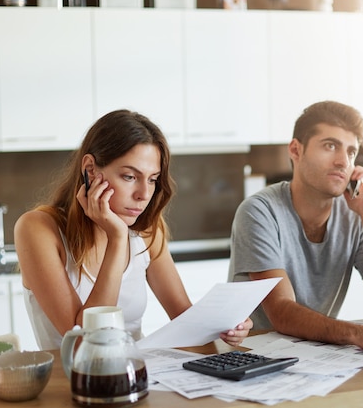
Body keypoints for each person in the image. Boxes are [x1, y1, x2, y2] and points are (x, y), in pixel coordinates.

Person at [15, 109, 252, 350]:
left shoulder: (147, 231)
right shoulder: (37, 229)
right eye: (129, 176)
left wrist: (225, 326)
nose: (144, 194)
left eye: (152, 179)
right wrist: (117, 239)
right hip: (73, 382)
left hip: (139, 375)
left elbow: (184, 319)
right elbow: (84, 344)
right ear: (90, 169)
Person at [228, 101, 363, 355]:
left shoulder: (355, 214)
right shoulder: (259, 212)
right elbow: (281, 313)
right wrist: (362, 334)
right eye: (330, 146)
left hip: (317, 355)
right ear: (296, 150)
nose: (342, 161)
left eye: (351, 152)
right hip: (256, 359)